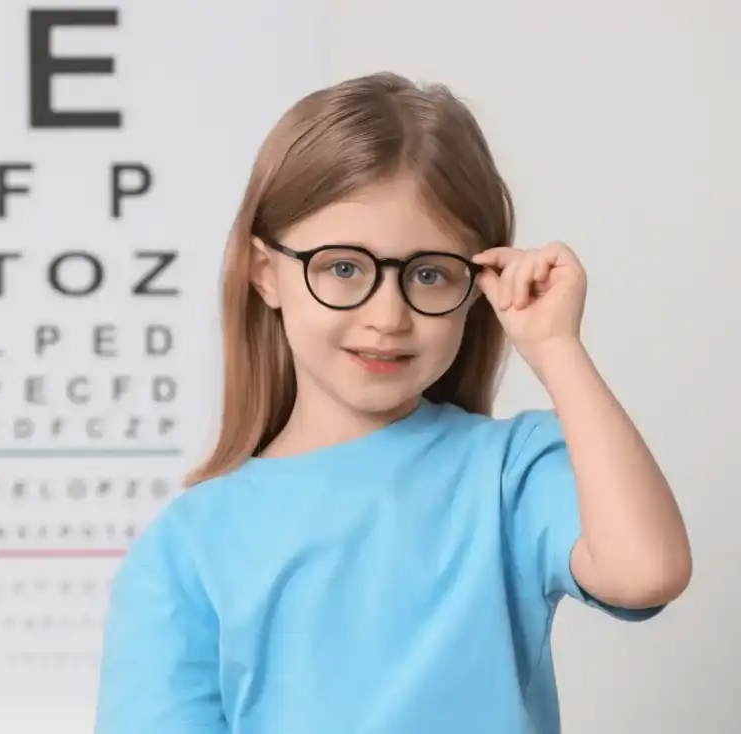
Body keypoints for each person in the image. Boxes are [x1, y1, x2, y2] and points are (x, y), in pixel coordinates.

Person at [91, 72, 692, 734]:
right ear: (266, 274)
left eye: (429, 273)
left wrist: (555, 347)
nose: (388, 316)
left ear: (478, 284)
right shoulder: (189, 547)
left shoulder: (510, 472)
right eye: (344, 267)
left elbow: (646, 572)